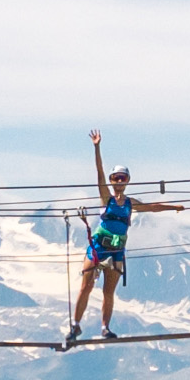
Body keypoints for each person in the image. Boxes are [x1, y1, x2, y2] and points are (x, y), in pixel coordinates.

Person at [65, 138, 179, 345]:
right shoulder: (105, 198)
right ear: (112, 180)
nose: (118, 181)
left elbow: (152, 207)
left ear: (127, 180)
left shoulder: (129, 203)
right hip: (98, 247)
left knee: (109, 291)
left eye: (122, 178)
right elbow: (98, 173)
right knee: (86, 287)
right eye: (115, 178)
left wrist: (175, 208)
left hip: (117, 250)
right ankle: (75, 325)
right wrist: (97, 147)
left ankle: (105, 328)